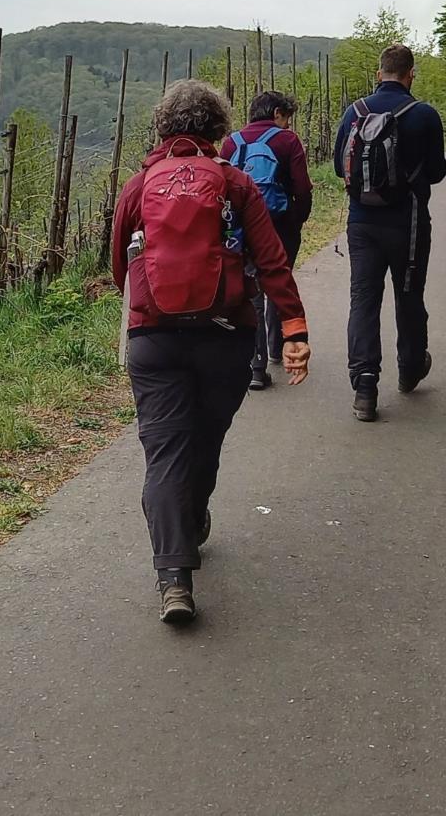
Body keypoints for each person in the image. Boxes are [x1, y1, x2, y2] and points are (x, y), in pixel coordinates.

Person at [112, 79, 312, 625]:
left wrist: (140, 314)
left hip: (153, 339)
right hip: (227, 336)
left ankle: (174, 579)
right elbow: (272, 261)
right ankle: (194, 513)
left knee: (164, 450)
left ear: (162, 127)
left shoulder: (139, 185)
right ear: (219, 130)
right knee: (206, 437)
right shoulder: (235, 182)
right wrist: (293, 330)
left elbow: (115, 266)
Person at [334, 43, 446, 421]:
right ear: (410, 73)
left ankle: (365, 386)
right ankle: (411, 367)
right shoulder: (424, 115)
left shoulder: (355, 111)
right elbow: (436, 173)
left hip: (362, 223)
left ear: (378, 72)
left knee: (363, 299)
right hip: (409, 223)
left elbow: (339, 167)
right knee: (409, 295)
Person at [222, 90, 314, 390]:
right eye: (286, 117)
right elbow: (302, 187)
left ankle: (256, 367)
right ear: (276, 113)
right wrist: (297, 219)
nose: (287, 124)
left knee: (253, 292)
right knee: (278, 278)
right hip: (280, 225)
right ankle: (280, 345)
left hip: (240, 228)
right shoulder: (288, 141)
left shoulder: (231, 142)